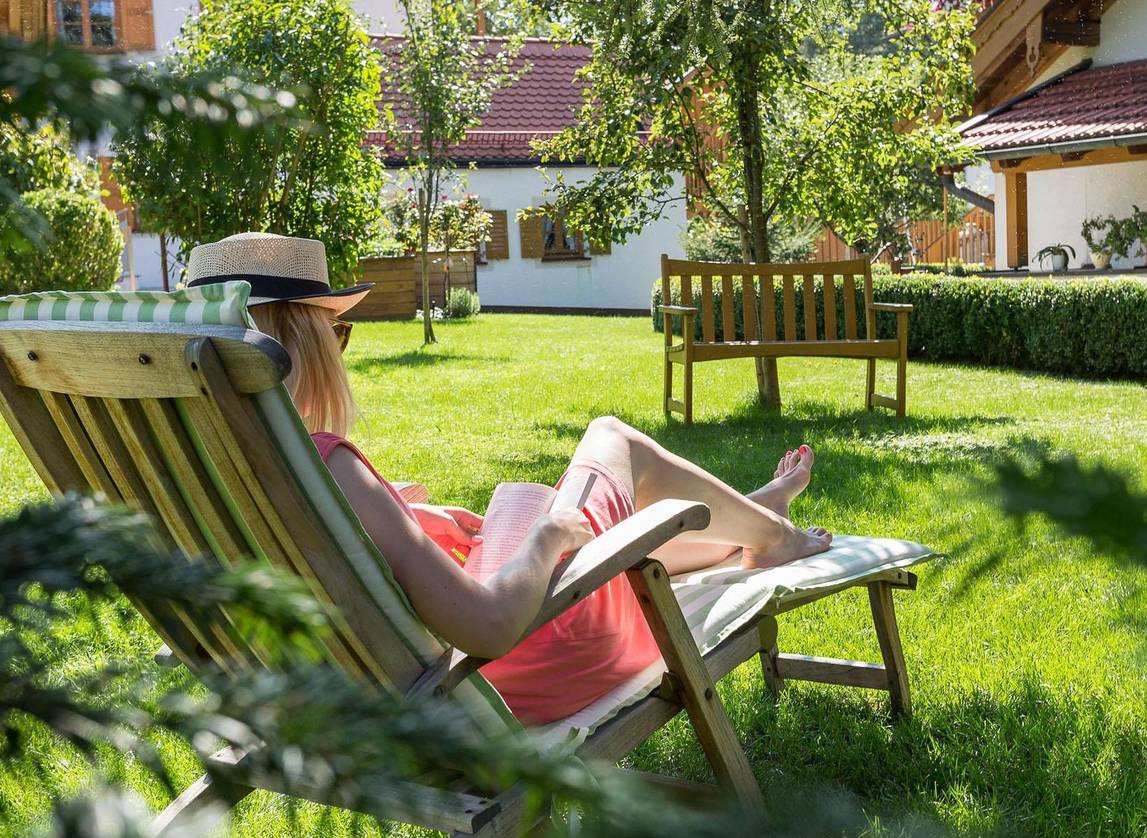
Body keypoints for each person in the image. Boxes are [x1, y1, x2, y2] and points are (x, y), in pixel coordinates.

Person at [187, 233, 832, 725]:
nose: (339, 347)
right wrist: (545, 540)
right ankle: (770, 528)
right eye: (337, 331)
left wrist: (405, 520)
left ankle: (751, 512)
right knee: (612, 440)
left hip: (358, 708)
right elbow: (491, 627)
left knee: (608, 523)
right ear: (299, 339)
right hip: (518, 668)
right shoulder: (328, 467)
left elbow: (332, 559)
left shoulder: (210, 475)